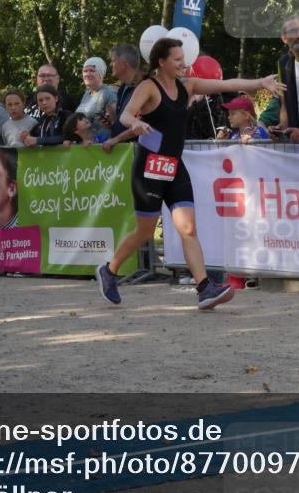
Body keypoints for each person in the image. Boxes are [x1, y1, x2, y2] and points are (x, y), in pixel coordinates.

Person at [96, 37, 284, 310]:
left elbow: (226, 84)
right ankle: (109, 271)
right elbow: (126, 115)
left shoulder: (188, 85)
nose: (183, 64)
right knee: (145, 232)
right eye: (177, 59)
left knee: (188, 228)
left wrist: (259, 83)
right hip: (149, 168)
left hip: (174, 165)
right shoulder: (149, 87)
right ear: (162, 62)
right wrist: (135, 125)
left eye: (184, 59)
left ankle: (204, 288)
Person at [104, 44, 143, 153]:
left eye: (113, 60)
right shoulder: (122, 88)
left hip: (138, 153)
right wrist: (113, 124)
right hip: (124, 154)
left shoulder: (143, 87)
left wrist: (116, 139)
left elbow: (141, 125)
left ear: (124, 64)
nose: (111, 64)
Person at [75, 57, 116, 143]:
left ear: (100, 73)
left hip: (104, 148)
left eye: (92, 71)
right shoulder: (86, 95)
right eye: (85, 71)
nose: (87, 74)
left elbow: (117, 123)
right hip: (87, 147)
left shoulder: (108, 93)